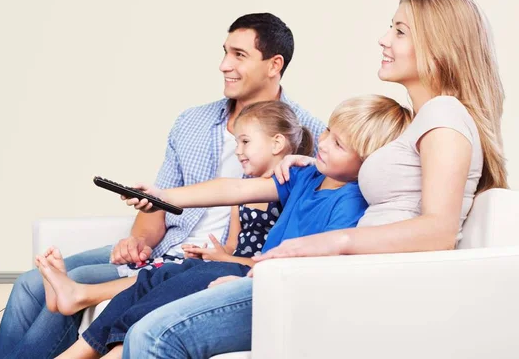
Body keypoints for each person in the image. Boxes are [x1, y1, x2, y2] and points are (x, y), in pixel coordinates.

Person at [119, 0, 508, 359]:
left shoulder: (443, 116)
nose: (384, 39)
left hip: (345, 283)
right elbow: (247, 188)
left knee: (155, 336)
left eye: (400, 30)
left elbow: (437, 230)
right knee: (151, 325)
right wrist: (318, 165)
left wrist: (324, 245)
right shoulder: (422, 120)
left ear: (438, 47)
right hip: (329, 278)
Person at [0, 13, 326, 359]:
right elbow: (160, 205)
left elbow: (299, 211)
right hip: (167, 247)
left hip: (218, 261)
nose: (224, 65)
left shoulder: (309, 136)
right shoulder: (192, 122)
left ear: (274, 64)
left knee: (79, 280)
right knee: (30, 284)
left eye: (239, 55)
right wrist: (137, 241)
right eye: (225, 52)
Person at [54, 94, 412, 359]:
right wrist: (166, 195)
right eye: (328, 131)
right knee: (161, 276)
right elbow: (234, 188)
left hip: (271, 282)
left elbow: (307, 269)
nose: (323, 141)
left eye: (338, 143)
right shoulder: (305, 175)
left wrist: (243, 273)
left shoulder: (350, 203)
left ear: (367, 159)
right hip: (256, 270)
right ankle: (80, 353)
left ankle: (112, 351)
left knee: (204, 271)